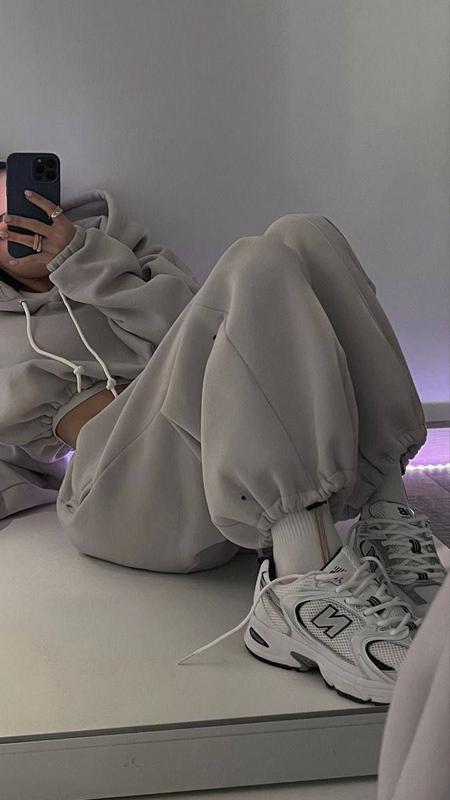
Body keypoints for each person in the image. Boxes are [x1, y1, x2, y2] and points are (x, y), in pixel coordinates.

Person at [0, 159, 447, 709]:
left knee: (304, 233)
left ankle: (386, 516)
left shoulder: (127, 262)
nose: (11, 225)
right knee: (252, 258)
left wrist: (80, 261)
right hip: (118, 494)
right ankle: (301, 582)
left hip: (214, 460)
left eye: (19, 207)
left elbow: (207, 326)